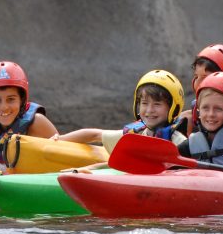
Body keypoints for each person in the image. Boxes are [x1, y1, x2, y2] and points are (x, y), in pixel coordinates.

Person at [54, 70, 187, 172]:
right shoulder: (134, 135)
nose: (149, 110)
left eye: (157, 104)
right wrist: (59, 139)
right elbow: (94, 135)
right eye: (144, 103)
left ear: (173, 108)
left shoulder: (179, 142)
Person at [0, 61, 58, 164]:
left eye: (11, 99)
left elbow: (67, 154)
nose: (4, 107)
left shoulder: (37, 123)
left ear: (22, 99)